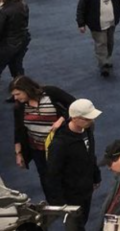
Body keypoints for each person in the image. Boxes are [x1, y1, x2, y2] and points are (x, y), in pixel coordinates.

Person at [48, 99, 103, 231]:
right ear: (74, 118)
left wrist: (95, 175)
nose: (91, 121)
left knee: (80, 228)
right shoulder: (59, 144)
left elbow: (90, 154)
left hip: (86, 189)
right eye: (87, 118)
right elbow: (53, 175)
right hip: (71, 196)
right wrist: (60, 204)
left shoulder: (88, 129)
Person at [11, 75, 75, 203]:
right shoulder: (19, 107)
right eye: (14, 95)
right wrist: (18, 153)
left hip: (59, 147)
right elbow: (18, 131)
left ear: (27, 89)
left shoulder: (51, 93)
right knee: (46, 178)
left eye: (18, 94)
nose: (15, 98)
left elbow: (74, 105)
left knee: (65, 173)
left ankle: (70, 201)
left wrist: (61, 120)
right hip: (38, 149)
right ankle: (53, 204)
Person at [0, 0, 29, 87]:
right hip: (22, 40)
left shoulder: (4, 11)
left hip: (7, 44)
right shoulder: (23, 5)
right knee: (16, 65)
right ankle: (22, 87)